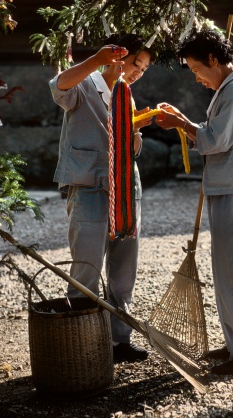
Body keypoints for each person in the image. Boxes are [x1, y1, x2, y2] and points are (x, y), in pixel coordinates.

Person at [155, 29, 233, 376]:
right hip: (232, 187)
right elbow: (214, 134)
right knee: (226, 271)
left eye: (197, 69)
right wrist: (186, 124)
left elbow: (217, 139)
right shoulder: (231, 88)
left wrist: (182, 122)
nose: (196, 78)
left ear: (214, 59)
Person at [49, 33, 154, 363]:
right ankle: (84, 343)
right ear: (118, 58)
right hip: (88, 186)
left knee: (124, 270)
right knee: (86, 268)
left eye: (145, 67)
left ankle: (119, 341)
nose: (140, 71)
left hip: (125, 190)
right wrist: (96, 59)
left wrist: (137, 128)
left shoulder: (127, 95)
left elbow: (132, 148)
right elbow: (58, 86)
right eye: (137, 64)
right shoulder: (85, 83)